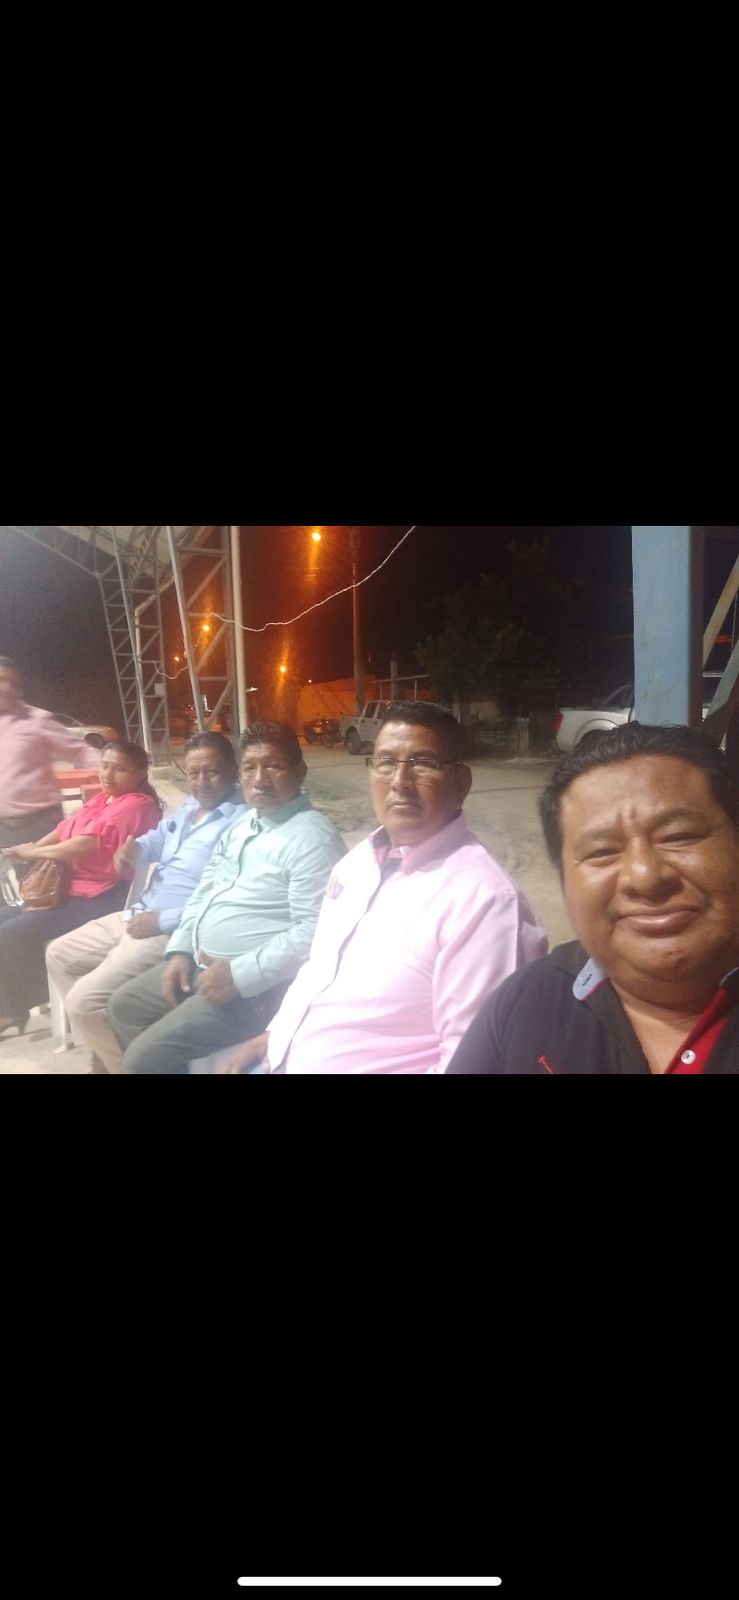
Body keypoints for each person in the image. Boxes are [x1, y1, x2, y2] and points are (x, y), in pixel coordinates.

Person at [219, 702, 548, 1075]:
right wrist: (277, 1034)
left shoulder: (485, 904)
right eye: (386, 763)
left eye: (423, 764)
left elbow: (471, 1061)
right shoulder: (359, 861)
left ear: (461, 783)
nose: (399, 782)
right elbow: (321, 967)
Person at [447, 723, 739, 1074]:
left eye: (679, 836)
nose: (645, 876)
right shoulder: (526, 1004)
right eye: (602, 852)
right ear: (564, 883)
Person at [107, 722, 347, 1074]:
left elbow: (314, 931)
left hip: (256, 990)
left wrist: (239, 975)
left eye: (273, 766)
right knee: (123, 1006)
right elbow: (206, 889)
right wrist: (181, 949)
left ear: (300, 772)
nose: (260, 779)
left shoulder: (312, 839)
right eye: (249, 767)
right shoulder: (245, 824)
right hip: (200, 965)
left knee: (144, 1058)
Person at [44, 733, 244, 1074]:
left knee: (83, 1002)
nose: (201, 782)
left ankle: (124, 1065)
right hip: (136, 912)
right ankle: (108, 1050)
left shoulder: (239, 821)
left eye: (212, 772)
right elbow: (159, 838)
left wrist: (163, 920)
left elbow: (228, 896)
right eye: (193, 773)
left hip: (170, 929)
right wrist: (135, 850)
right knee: (59, 954)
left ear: (233, 771)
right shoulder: (190, 807)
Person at [0, 741, 161, 1038]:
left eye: (120, 769)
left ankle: (18, 1007)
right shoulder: (103, 800)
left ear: (140, 773)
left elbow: (86, 843)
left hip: (106, 896)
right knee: (3, 919)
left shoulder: (137, 804)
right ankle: (12, 1003)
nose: (108, 775)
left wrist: (34, 853)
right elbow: (65, 828)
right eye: (105, 766)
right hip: (75, 889)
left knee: (11, 932)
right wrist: (28, 849)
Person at [0, 656, 102, 849]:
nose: (7, 688)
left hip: (39, 824)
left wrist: (114, 770)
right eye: (1, 680)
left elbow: (81, 752)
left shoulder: (36, 720)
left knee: (46, 869)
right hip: (2, 829)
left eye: (14, 684)